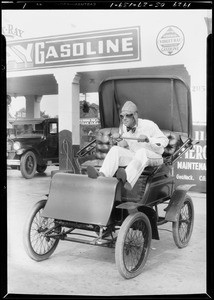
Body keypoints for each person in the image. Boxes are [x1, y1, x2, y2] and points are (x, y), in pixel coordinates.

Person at [87, 101, 169, 190]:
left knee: (142, 152)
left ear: (135, 116)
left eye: (127, 115)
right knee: (115, 149)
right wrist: (119, 139)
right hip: (135, 155)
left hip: (155, 157)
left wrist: (148, 139)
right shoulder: (123, 127)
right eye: (122, 116)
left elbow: (165, 141)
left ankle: (127, 180)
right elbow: (124, 144)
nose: (124, 119)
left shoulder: (149, 125)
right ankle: (103, 175)